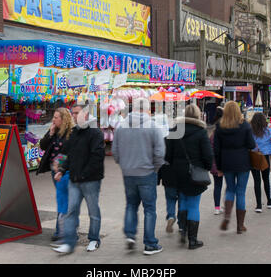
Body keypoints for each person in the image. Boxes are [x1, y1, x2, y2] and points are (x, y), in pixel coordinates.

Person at [112, 98, 165, 255]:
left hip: (128, 174)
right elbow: (160, 153)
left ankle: (130, 235)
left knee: (131, 205)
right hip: (147, 173)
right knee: (149, 209)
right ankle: (150, 244)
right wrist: (155, 168)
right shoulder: (154, 127)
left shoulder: (121, 127)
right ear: (148, 110)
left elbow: (115, 151)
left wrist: (124, 165)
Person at [53, 104, 105, 254]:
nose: (74, 116)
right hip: (75, 180)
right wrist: (62, 170)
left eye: (76, 113)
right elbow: (68, 154)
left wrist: (83, 174)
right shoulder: (74, 132)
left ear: (86, 115)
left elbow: (97, 157)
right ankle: (69, 242)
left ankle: (94, 239)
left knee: (93, 211)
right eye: (73, 113)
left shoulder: (95, 132)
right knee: (71, 210)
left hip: (91, 180)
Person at [164, 104, 213, 249]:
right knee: (193, 205)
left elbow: (167, 155)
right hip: (195, 173)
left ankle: (183, 231)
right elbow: (208, 155)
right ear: (198, 115)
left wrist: (175, 166)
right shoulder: (201, 132)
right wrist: (206, 168)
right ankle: (193, 240)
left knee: (183, 202)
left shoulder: (174, 130)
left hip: (177, 173)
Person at [214, 101, 256, 234]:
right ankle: (240, 225)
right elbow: (251, 144)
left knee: (230, 190)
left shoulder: (220, 126)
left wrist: (219, 167)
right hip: (243, 162)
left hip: (226, 162)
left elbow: (216, 149)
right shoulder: (245, 126)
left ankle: (227, 216)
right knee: (241, 192)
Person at [37, 108, 74, 242]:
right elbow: (42, 146)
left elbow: (69, 152)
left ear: (63, 119)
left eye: (56, 117)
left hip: (66, 171)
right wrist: (50, 133)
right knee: (64, 200)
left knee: (64, 200)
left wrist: (61, 168)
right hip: (55, 171)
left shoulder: (71, 133)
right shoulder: (54, 131)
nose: (53, 120)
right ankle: (66, 230)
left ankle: (62, 231)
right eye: (53, 117)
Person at [250, 113, 271, 213]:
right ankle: (269, 201)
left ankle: (259, 205)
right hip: (265, 156)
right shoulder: (268, 131)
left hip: (254, 156)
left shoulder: (250, 131)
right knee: (266, 179)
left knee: (257, 181)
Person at [209, 107, 224, 215]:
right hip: (225, 162)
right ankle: (226, 205)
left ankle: (217, 207)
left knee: (217, 185)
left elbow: (210, 149)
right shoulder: (226, 133)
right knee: (230, 186)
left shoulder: (213, 134)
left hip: (215, 163)